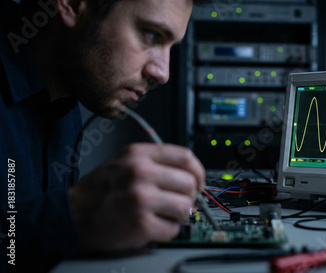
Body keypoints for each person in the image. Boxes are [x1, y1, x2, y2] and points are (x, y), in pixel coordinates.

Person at [0, 0, 207, 272]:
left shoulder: (65, 93)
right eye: (152, 34)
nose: (163, 73)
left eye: (171, 47)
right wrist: (75, 215)